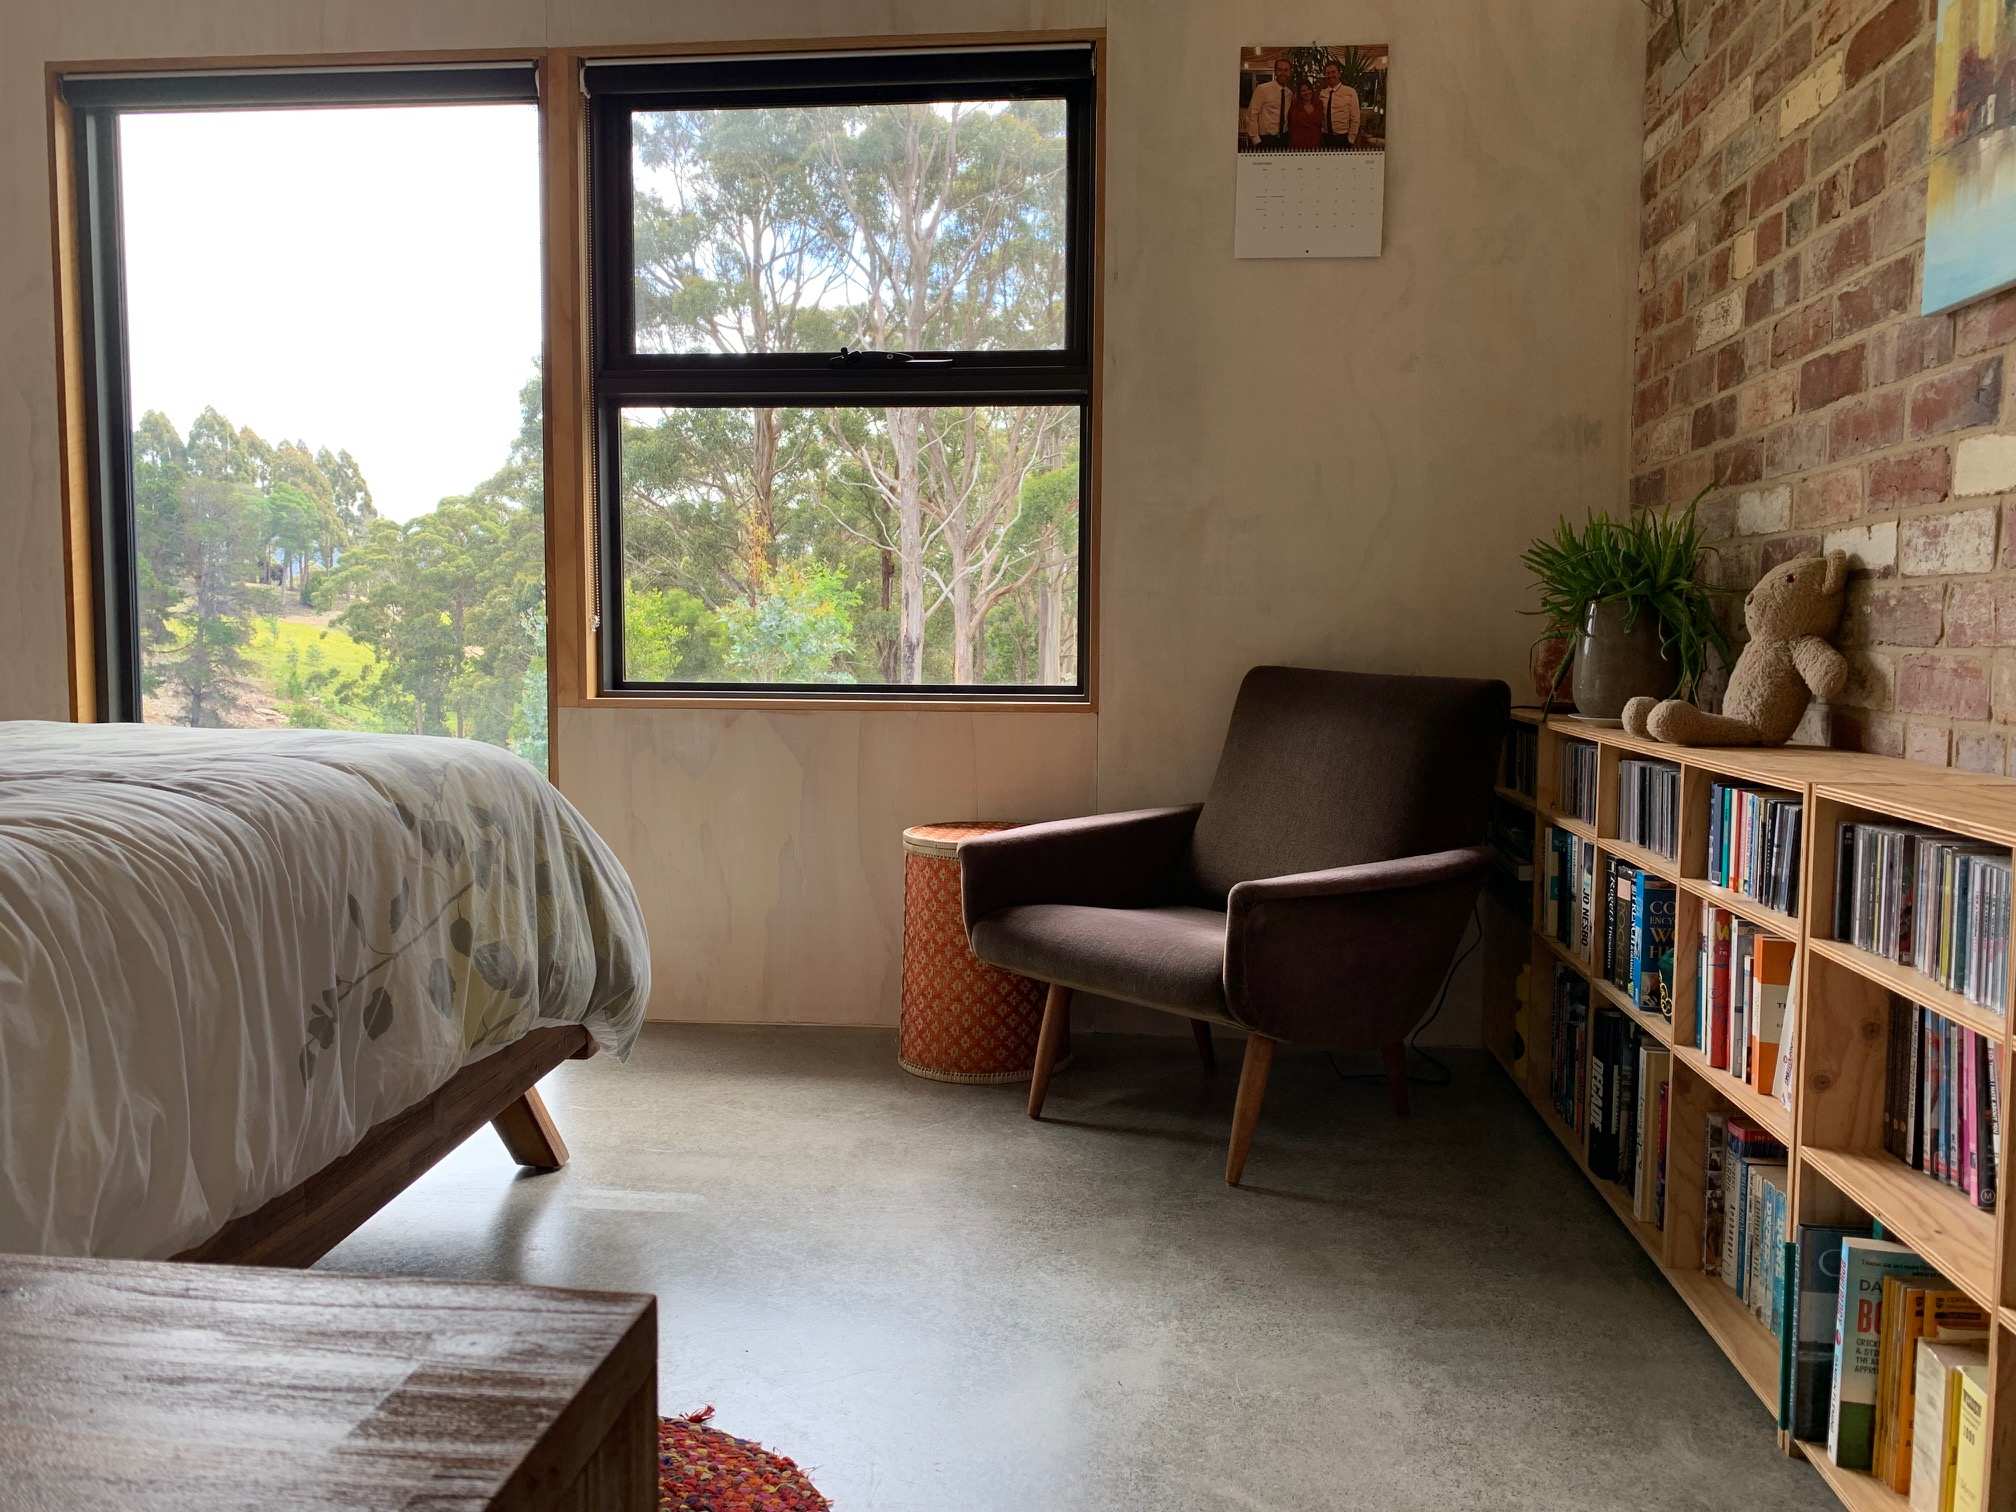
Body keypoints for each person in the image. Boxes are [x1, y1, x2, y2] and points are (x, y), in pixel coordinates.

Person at [1244, 58, 1295, 149]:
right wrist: (1255, 139)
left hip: (1284, 138)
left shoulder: (1289, 93)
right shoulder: (1262, 89)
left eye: (1286, 70)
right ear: (1275, 71)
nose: (1283, 73)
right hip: (1265, 139)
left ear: (1290, 72)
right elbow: (1252, 114)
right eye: (1280, 70)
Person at [1319, 59, 1362, 149]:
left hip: (1343, 138)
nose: (1330, 75)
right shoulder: (1322, 93)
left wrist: (1350, 140)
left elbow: (1355, 118)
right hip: (1325, 137)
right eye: (1328, 73)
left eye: (1333, 72)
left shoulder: (1350, 92)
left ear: (1339, 73)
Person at [1288, 82, 1323, 151]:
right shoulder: (1295, 106)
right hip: (1298, 143)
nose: (1307, 92)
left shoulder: (1319, 104)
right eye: (1303, 91)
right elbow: (1290, 124)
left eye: (1308, 89)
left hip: (1315, 142)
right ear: (1299, 93)